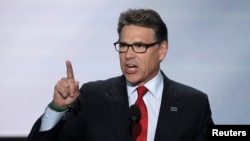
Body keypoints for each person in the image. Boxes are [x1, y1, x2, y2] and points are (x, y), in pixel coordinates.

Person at [27, 8, 214, 141]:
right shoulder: (93, 97)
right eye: (123, 46)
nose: (128, 55)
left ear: (162, 50)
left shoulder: (194, 104)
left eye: (139, 46)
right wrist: (57, 108)